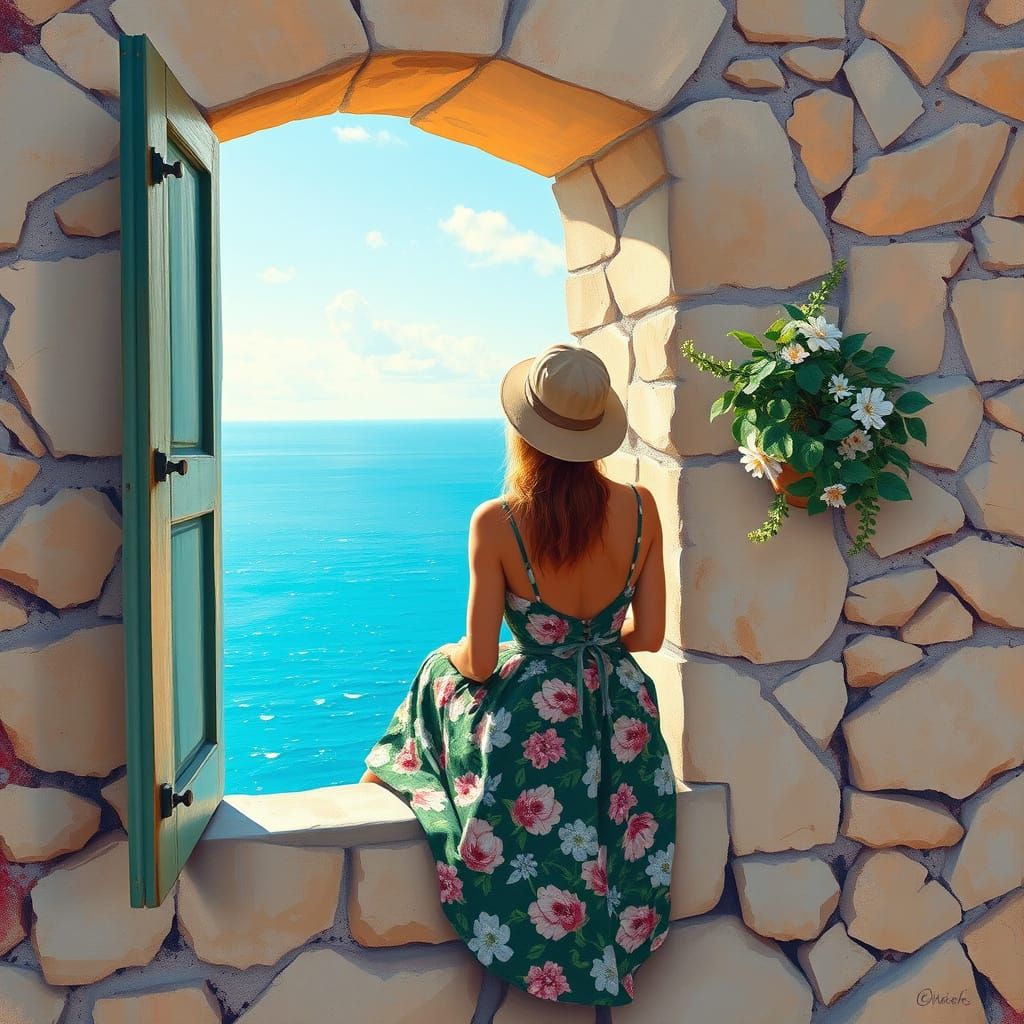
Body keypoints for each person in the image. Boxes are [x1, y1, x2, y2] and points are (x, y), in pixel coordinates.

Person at [359, 343, 675, 1007]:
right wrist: (587, 644)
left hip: (539, 724)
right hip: (622, 718)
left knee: (433, 670)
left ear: (525, 431)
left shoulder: (497, 520)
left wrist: (469, 654)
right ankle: (608, 954)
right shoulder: (643, 507)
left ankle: (386, 785)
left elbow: (476, 661)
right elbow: (646, 637)